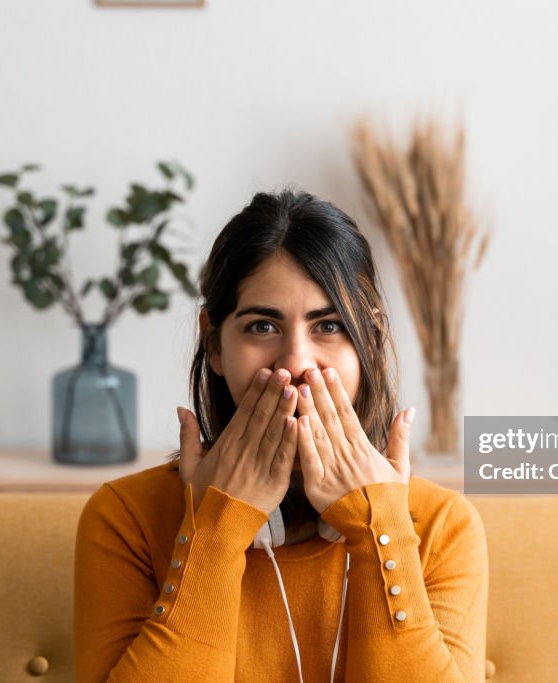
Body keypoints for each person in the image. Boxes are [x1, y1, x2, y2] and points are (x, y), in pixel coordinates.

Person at [73, 190, 488, 682]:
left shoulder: (442, 527)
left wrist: (381, 530)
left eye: (329, 326)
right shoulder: (127, 518)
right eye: (262, 325)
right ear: (214, 345)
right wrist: (214, 534)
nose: (295, 363)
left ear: (371, 343)